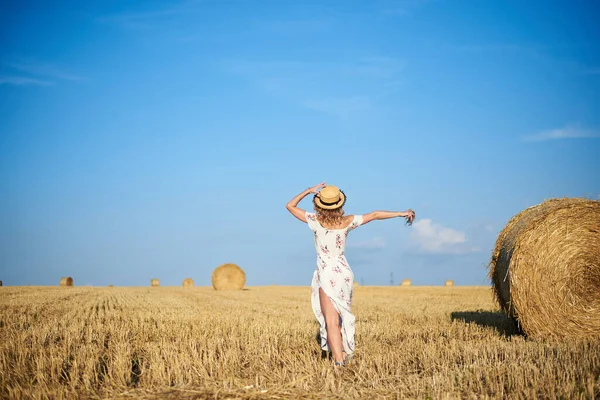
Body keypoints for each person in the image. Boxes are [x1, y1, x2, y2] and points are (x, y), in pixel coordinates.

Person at [285, 182, 415, 366]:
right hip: (344, 273)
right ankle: (344, 351)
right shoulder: (348, 221)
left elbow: (289, 205)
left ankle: (339, 360)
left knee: (331, 321)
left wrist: (308, 190)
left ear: (319, 204)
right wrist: (401, 213)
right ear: (340, 204)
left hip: (327, 272)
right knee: (342, 314)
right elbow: (376, 215)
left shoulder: (314, 221)